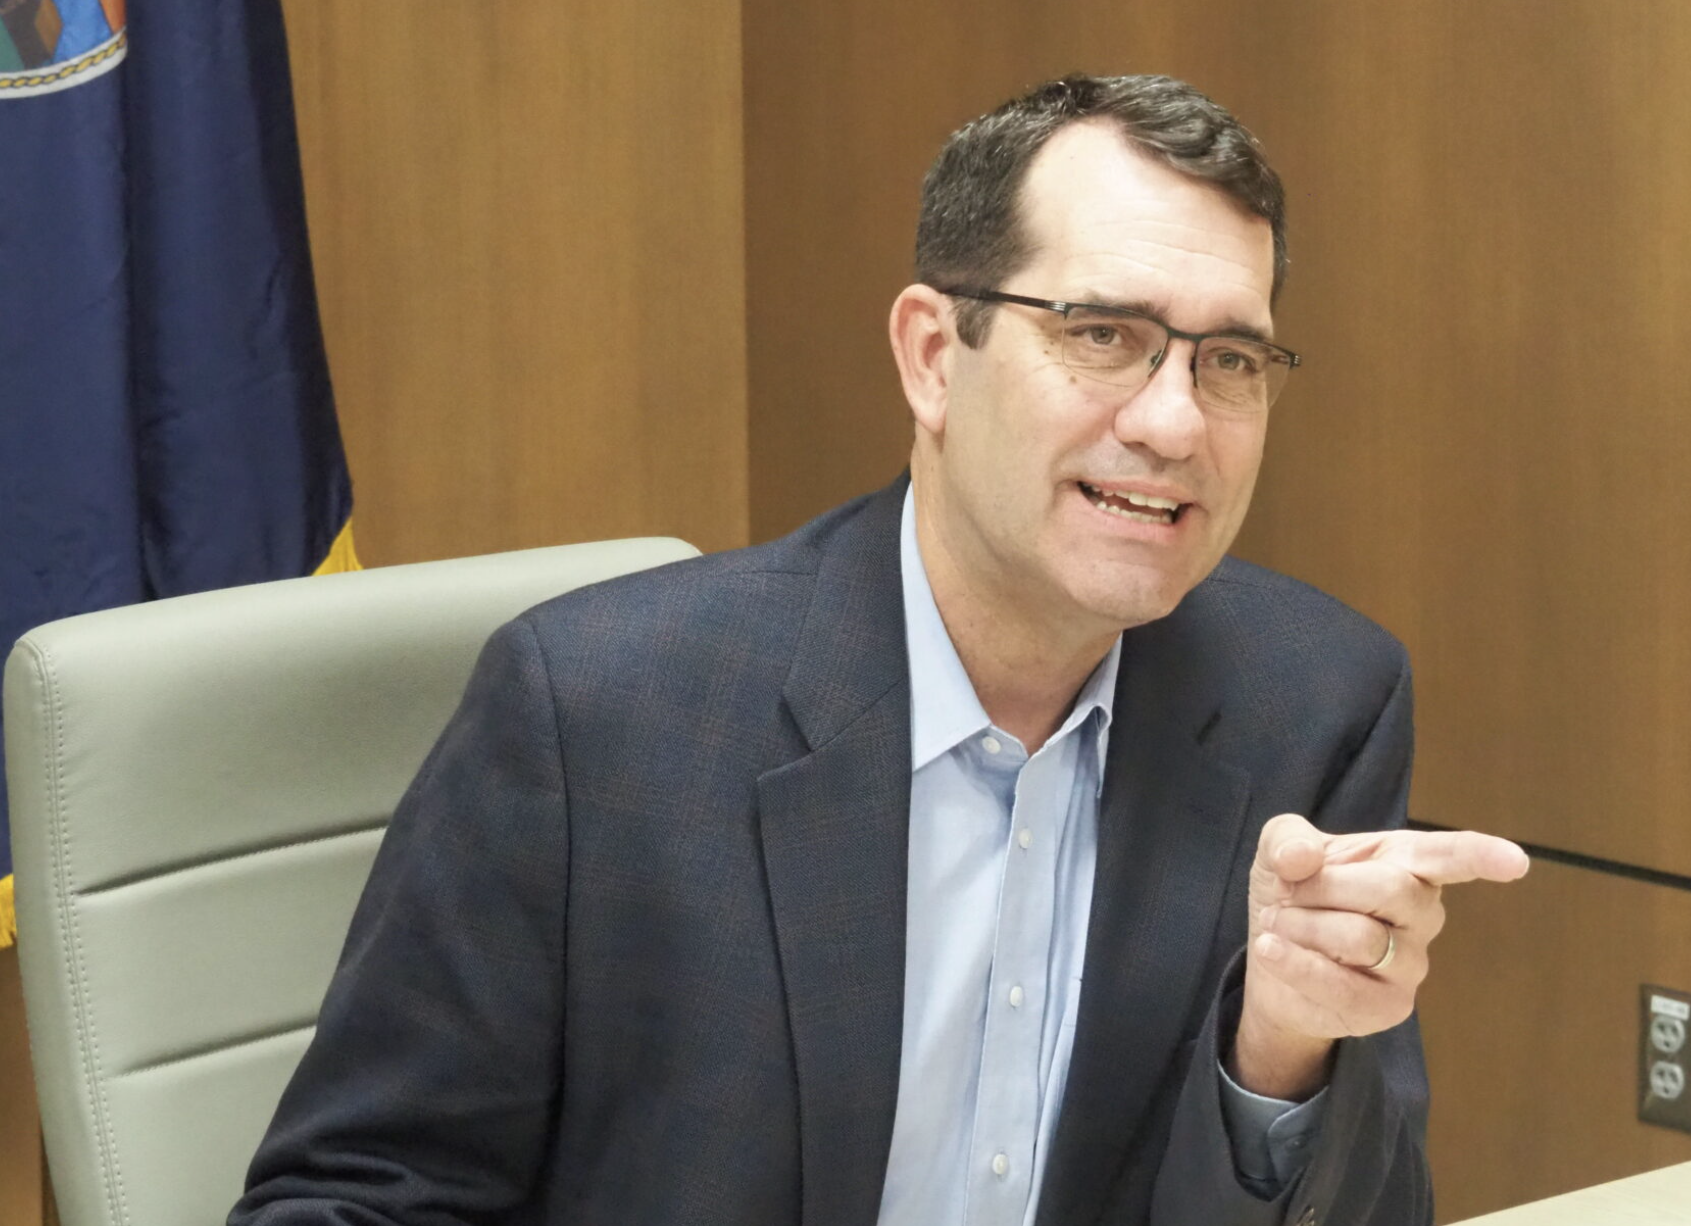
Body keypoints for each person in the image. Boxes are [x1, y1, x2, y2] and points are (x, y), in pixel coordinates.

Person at [230, 74, 1527, 1226]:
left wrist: (1282, 1052)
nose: (1175, 420)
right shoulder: (597, 715)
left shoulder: (1312, 701)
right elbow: (353, 1196)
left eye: (1229, 357)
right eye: (1102, 335)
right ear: (928, 355)